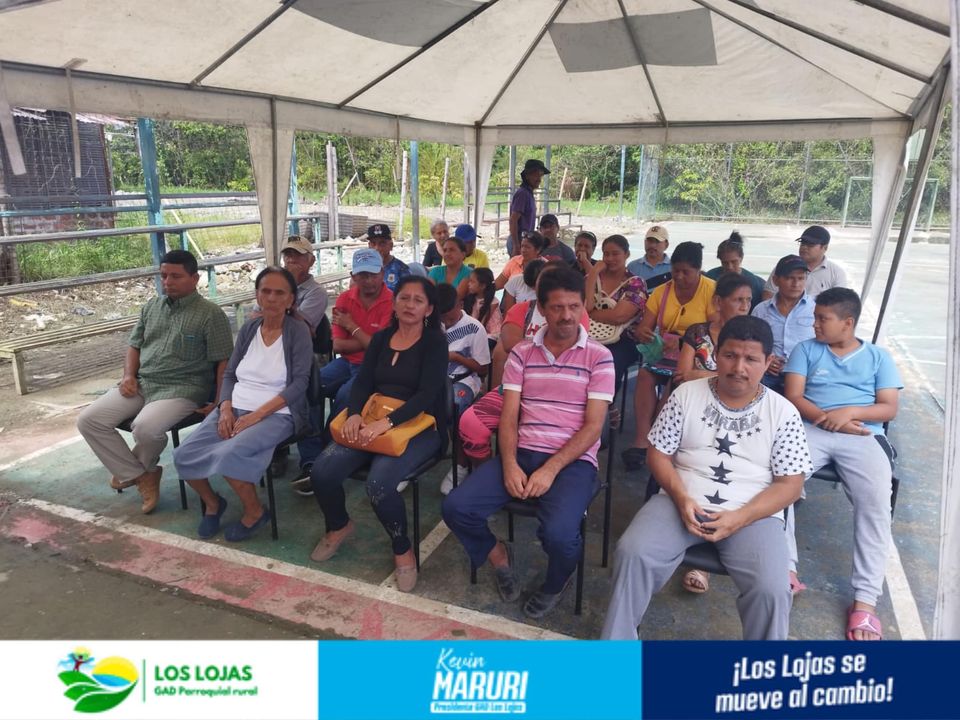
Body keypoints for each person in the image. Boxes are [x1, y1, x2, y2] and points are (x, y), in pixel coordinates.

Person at [601, 316, 810, 640]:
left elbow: (791, 484)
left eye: (751, 359)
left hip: (753, 512)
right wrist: (681, 497)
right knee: (633, 552)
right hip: (681, 499)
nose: (738, 367)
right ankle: (617, 651)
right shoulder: (686, 395)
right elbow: (658, 454)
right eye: (730, 355)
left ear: (768, 361)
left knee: (772, 589)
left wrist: (741, 517)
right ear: (716, 354)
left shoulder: (783, 412)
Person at [443, 266, 615, 619]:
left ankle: (557, 581)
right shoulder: (522, 353)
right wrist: (509, 464)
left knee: (560, 534)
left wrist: (551, 469)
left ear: (583, 306)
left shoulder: (599, 356)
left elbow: (593, 427)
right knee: (456, 507)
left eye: (574, 306)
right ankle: (498, 555)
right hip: (523, 452)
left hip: (573, 463)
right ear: (542, 308)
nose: (566, 316)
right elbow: (509, 417)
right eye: (557, 307)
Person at [309, 277, 449, 593]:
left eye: (418, 300)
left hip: (419, 426)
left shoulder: (435, 343)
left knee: (379, 485)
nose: (410, 305)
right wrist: (355, 413)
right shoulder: (382, 338)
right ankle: (339, 525)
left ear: (428, 309)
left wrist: (387, 423)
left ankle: (402, 548)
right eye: (404, 298)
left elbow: (427, 394)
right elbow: (363, 382)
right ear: (394, 303)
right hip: (373, 419)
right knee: (322, 471)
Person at [783, 288, 902, 641]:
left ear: (847, 323)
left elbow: (888, 407)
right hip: (811, 428)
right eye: (815, 318)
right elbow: (794, 396)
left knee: (876, 505)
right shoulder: (806, 350)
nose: (815, 324)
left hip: (864, 434)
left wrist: (849, 413)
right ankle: (786, 569)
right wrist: (828, 419)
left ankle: (865, 601)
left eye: (823, 319)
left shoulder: (879, 357)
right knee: (779, 482)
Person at [77, 250, 233, 514]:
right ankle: (141, 475)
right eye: (164, 276)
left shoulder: (210, 314)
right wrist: (128, 376)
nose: (168, 282)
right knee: (89, 420)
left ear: (195, 278)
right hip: (143, 382)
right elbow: (134, 345)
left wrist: (219, 402)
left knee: (145, 429)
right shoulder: (151, 307)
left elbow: (223, 362)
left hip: (183, 388)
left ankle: (132, 471)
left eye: (176, 276)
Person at [173, 267, 313, 541]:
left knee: (230, 455)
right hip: (235, 407)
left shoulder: (298, 332)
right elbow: (229, 374)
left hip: (278, 413)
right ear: (257, 295)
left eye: (279, 293)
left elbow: (299, 384)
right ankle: (213, 503)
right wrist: (224, 408)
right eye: (265, 291)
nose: (271, 298)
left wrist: (256, 416)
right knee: (183, 454)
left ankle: (255, 512)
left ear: (291, 299)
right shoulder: (250, 328)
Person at [671, 272, 755, 594]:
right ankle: (679, 542)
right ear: (719, 302)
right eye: (738, 300)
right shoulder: (698, 332)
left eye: (748, 300)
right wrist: (722, 377)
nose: (745, 306)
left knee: (727, 473)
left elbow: (753, 384)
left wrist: (703, 374)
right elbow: (682, 374)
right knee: (693, 471)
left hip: (737, 416)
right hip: (695, 409)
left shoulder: (754, 337)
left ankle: (703, 560)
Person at [293, 249, 394, 493]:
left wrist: (352, 326)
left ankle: (330, 451)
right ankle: (311, 458)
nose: (368, 280)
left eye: (373, 274)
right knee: (309, 386)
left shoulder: (392, 302)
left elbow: (380, 351)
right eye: (362, 275)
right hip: (346, 362)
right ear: (353, 276)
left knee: (346, 396)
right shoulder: (344, 299)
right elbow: (338, 345)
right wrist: (369, 339)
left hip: (374, 369)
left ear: (382, 273)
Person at [623, 242, 716, 471]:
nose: (680, 277)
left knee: (673, 383)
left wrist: (685, 341)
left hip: (697, 356)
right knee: (645, 375)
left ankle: (660, 439)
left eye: (686, 272)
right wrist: (644, 333)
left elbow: (714, 331)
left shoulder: (711, 291)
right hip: (665, 353)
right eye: (676, 271)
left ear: (699, 270)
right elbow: (644, 326)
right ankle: (642, 439)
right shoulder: (662, 291)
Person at [585, 234, 647, 395]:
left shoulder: (635, 283)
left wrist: (591, 313)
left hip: (623, 339)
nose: (610, 258)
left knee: (608, 363)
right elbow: (584, 307)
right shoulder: (592, 278)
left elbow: (619, 317)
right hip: (589, 335)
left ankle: (603, 402)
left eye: (615, 253)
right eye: (606, 254)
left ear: (627, 254)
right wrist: (593, 273)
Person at [751, 255, 815, 394]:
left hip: (805, 375)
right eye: (789, 278)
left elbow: (825, 345)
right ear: (776, 280)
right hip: (768, 374)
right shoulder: (761, 310)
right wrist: (765, 360)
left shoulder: (815, 308)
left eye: (801, 278)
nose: (796, 284)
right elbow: (751, 343)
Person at [438, 282, 491, 416]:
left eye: (450, 319)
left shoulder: (475, 328)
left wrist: (457, 357)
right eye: (442, 318)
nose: (446, 322)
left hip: (464, 379)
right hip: (435, 377)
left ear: (460, 305)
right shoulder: (432, 324)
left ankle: (455, 429)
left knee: (454, 403)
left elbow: (483, 369)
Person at [762, 225, 847, 300]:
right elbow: (768, 295)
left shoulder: (836, 273)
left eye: (810, 244)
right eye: (802, 243)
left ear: (825, 248)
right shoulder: (785, 265)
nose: (804, 247)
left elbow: (839, 304)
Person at [704, 231, 765, 310]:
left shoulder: (752, 281)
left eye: (734, 262)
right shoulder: (710, 277)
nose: (730, 267)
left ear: (741, 258)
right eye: (725, 263)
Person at [507, 159, 548, 256]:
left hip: (525, 240)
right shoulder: (523, 194)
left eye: (540, 176)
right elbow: (513, 220)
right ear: (527, 176)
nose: (539, 179)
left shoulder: (528, 194)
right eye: (536, 175)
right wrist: (517, 245)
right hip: (520, 241)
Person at [367, 223, 409, 293]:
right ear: (369, 246)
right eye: (373, 243)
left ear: (391, 246)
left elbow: (407, 295)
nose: (377, 248)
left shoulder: (401, 269)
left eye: (382, 243)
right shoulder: (363, 267)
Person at [463, 267, 502, 341]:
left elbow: (482, 323)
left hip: (491, 334)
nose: (469, 284)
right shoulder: (471, 299)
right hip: (475, 332)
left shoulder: (492, 302)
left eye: (472, 282)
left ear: (482, 286)